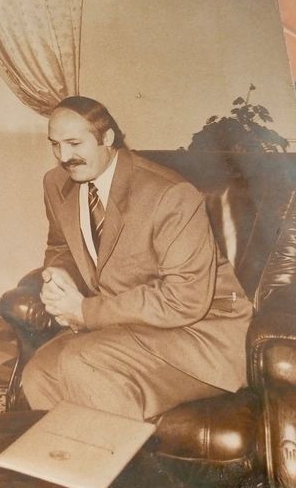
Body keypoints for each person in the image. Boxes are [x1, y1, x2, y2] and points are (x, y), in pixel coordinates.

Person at [20, 95, 253, 421]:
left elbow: (184, 298)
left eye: (74, 143)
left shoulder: (169, 194)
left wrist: (85, 311)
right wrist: (58, 277)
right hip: (125, 325)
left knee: (83, 360)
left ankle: (120, 454)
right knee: (39, 373)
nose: (64, 157)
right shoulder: (56, 183)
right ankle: (73, 453)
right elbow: (61, 246)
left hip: (198, 334)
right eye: (55, 145)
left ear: (107, 138)